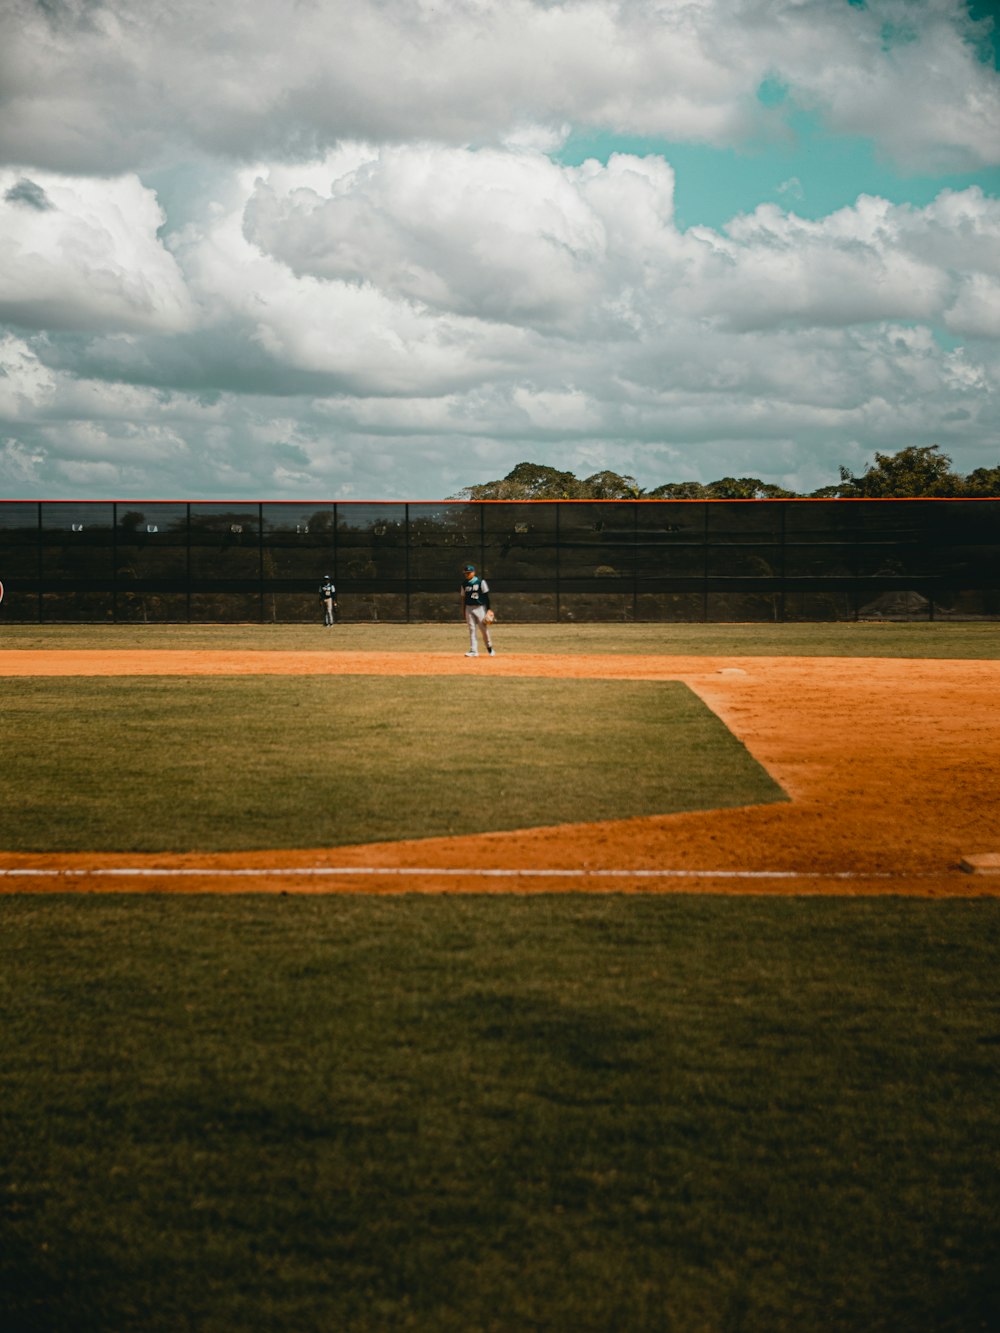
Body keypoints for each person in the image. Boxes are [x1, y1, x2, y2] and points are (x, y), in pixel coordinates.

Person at [460, 563, 495, 657]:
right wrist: (463, 610)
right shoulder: (464, 584)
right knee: (471, 629)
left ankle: (489, 647)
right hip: (469, 608)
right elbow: (463, 598)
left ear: (473, 573)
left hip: (480, 608)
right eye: (465, 573)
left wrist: (489, 609)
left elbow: (486, 596)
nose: (467, 574)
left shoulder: (480, 582)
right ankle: (473, 650)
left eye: (468, 573)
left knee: (483, 629)